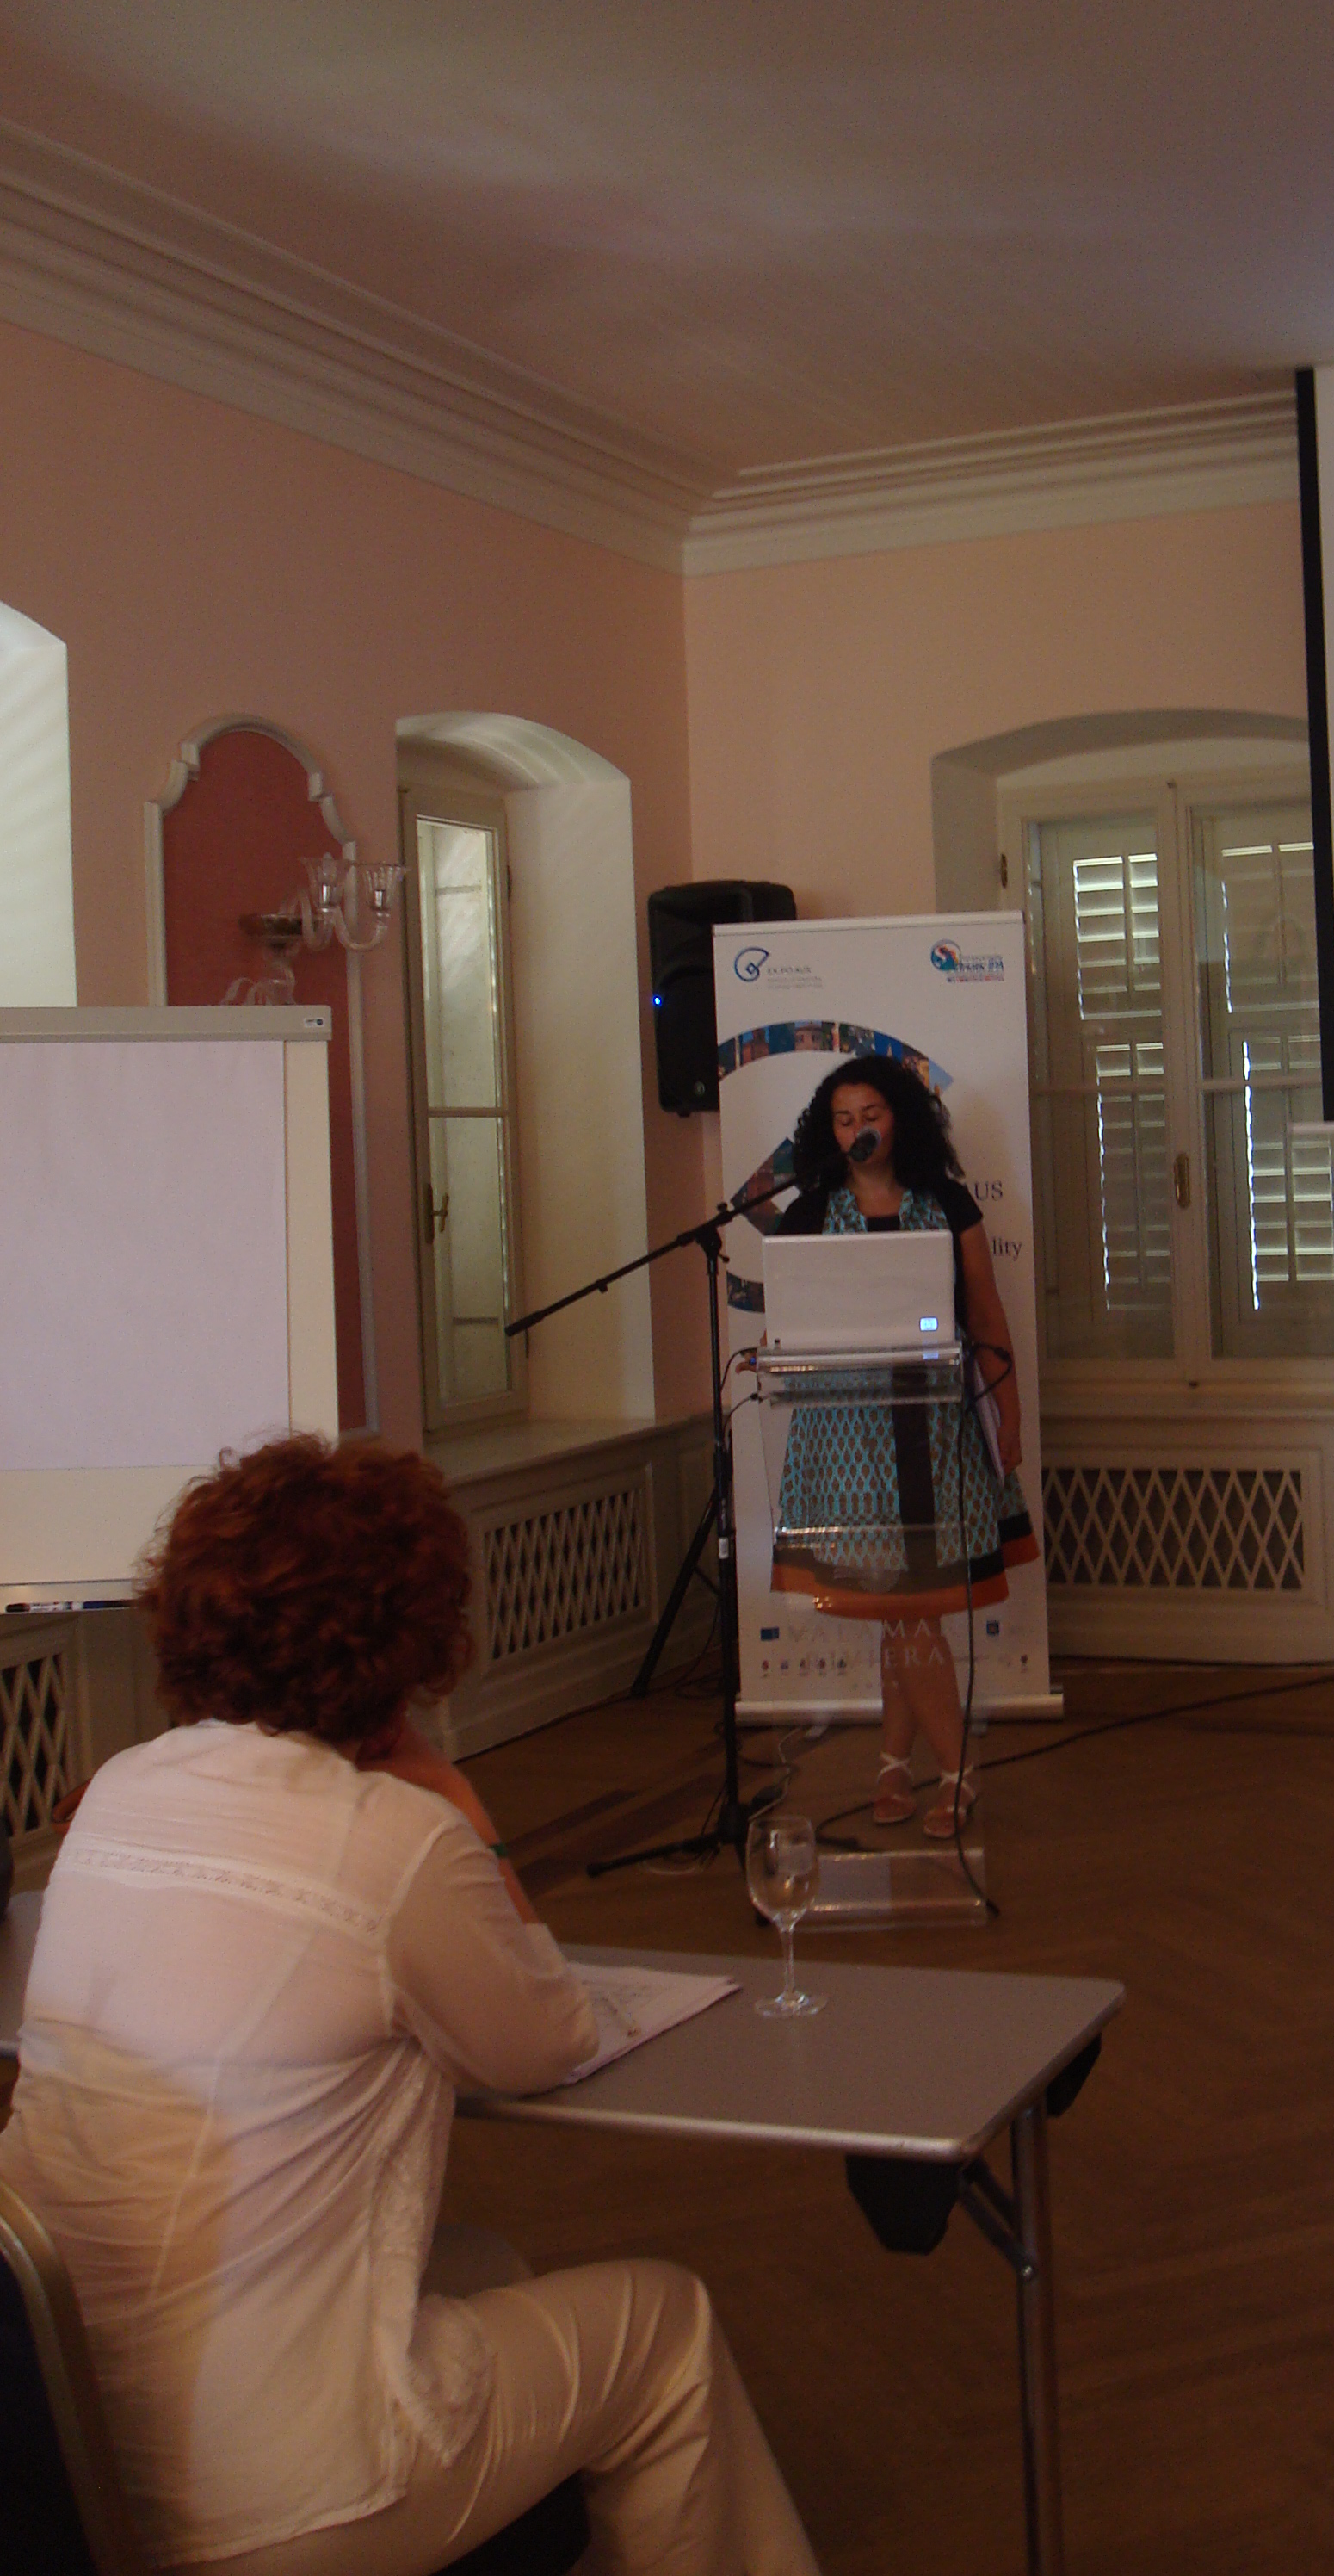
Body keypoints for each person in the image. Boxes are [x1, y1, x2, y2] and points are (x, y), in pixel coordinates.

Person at [0, 1436, 818, 2576]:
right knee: (664, 2326)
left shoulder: (118, 1794)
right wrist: (451, 1793)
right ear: (409, 1639)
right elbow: (549, 2039)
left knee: (482, 2263)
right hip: (271, 2503)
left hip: (65, 2460)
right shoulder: (399, 1839)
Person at [774, 1056, 1036, 1836]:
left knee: (909, 1610)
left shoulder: (947, 1203)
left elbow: (985, 1314)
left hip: (936, 1428)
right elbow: (792, 1322)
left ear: (901, 1119)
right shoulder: (809, 1214)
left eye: (872, 1114)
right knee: (901, 1609)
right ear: (829, 1133)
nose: (858, 1130)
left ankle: (935, 1770)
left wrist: (1009, 1410)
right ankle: (919, 1766)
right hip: (848, 1442)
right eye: (843, 1120)